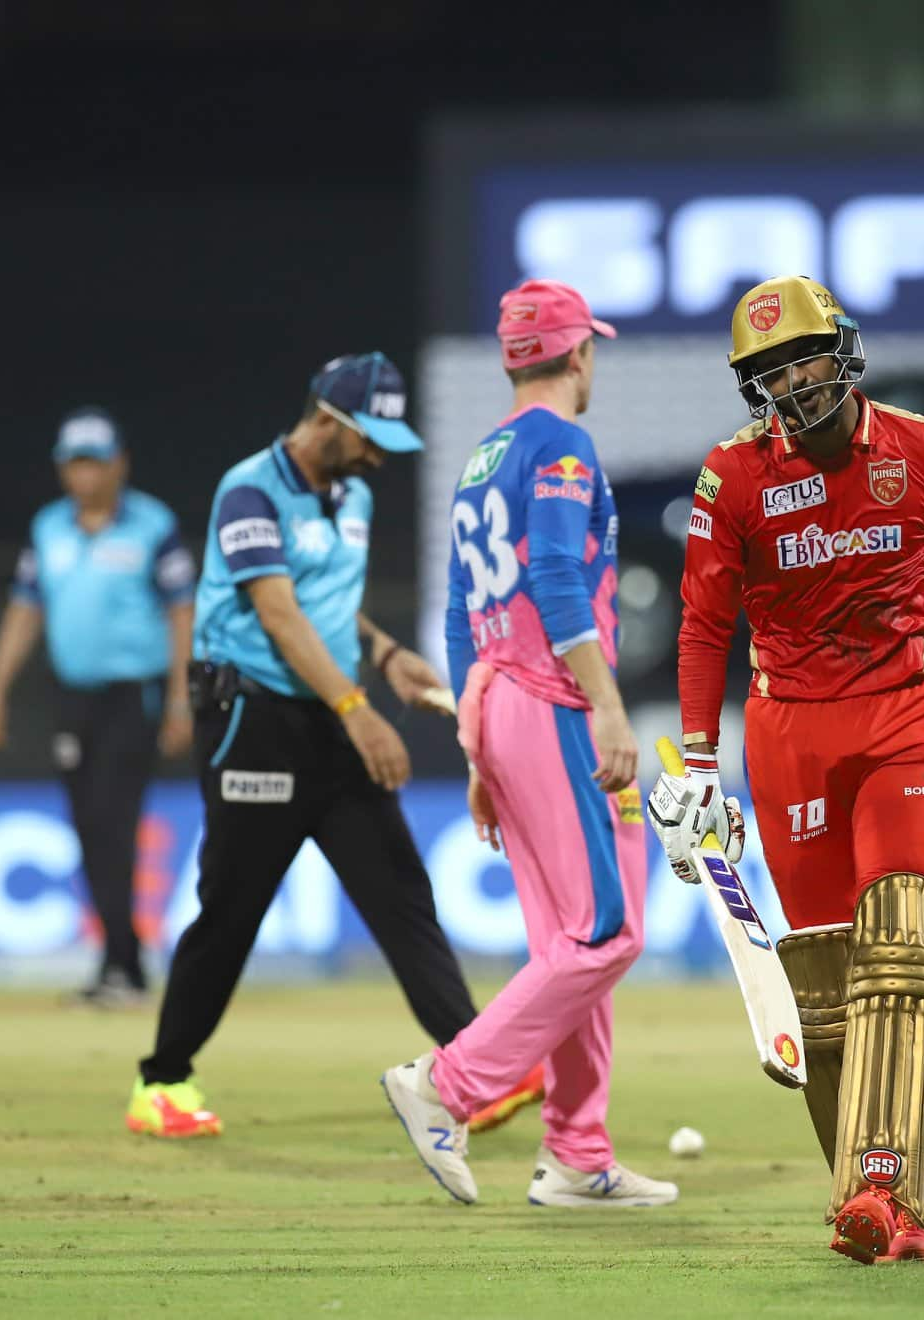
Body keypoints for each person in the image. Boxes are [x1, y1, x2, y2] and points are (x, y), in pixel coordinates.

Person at [646, 274, 924, 1264]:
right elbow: (701, 626)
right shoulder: (733, 474)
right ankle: (872, 1195)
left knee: (902, 938)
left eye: (800, 356)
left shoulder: (921, 446)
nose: (788, 382)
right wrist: (698, 768)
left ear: (842, 350)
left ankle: (888, 1177)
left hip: (908, 717)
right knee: (823, 993)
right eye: (766, 370)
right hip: (790, 731)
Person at [126, 353, 480, 1139]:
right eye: (371, 436)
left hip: (328, 715)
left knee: (400, 893)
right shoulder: (248, 488)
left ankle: (475, 1066)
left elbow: (327, 607)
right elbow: (279, 613)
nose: (381, 455)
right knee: (233, 909)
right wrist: (358, 708)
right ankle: (162, 1083)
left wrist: (384, 652)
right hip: (254, 721)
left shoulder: (349, 492)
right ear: (329, 419)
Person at [380, 280, 676, 1209]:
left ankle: (577, 1154)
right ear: (578, 352)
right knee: (604, 933)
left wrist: (476, 745)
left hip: (504, 702)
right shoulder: (561, 446)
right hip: (555, 704)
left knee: (573, 937)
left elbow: (464, 616)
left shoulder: (482, 458)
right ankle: (448, 1086)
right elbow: (551, 574)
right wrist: (611, 709)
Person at [0, 408, 195, 1005]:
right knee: (88, 826)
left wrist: (181, 697)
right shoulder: (49, 528)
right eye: (75, 464)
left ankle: (122, 964)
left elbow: (182, 612)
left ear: (119, 463)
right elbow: (26, 610)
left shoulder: (152, 525)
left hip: (135, 693)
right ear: (61, 468)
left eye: (96, 462)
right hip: (72, 699)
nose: (86, 475)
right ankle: (117, 962)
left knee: (113, 822)